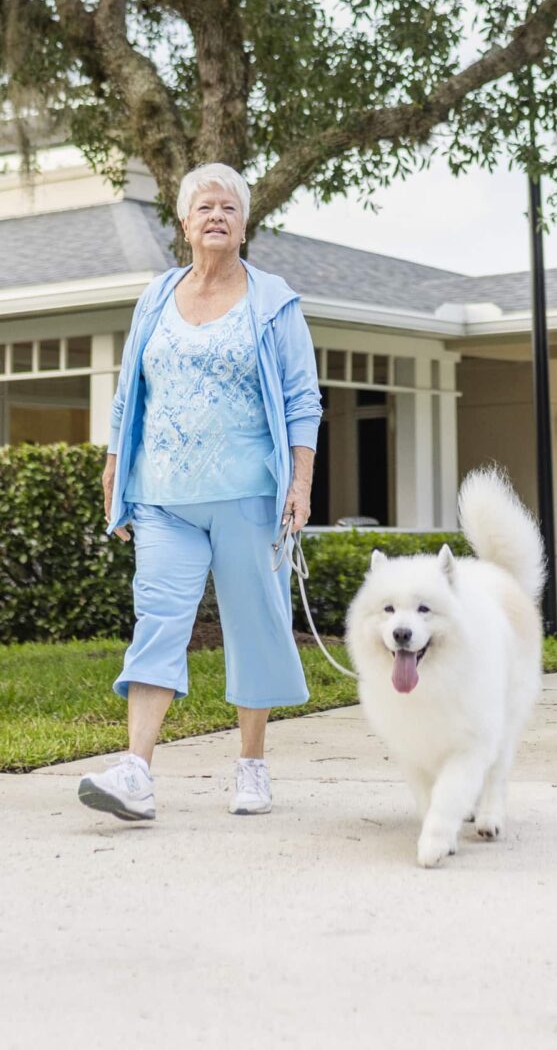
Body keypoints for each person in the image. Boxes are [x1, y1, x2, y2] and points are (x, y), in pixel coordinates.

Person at [75, 163, 319, 822]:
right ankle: (135, 773)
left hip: (248, 494)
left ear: (244, 224)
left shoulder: (273, 301)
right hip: (162, 496)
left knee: (254, 627)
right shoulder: (155, 297)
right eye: (204, 207)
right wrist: (114, 468)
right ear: (184, 223)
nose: (216, 216)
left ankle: (252, 765)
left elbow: (303, 399)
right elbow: (131, 391)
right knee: (156, 620)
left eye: (229, 208)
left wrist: (300, 480)